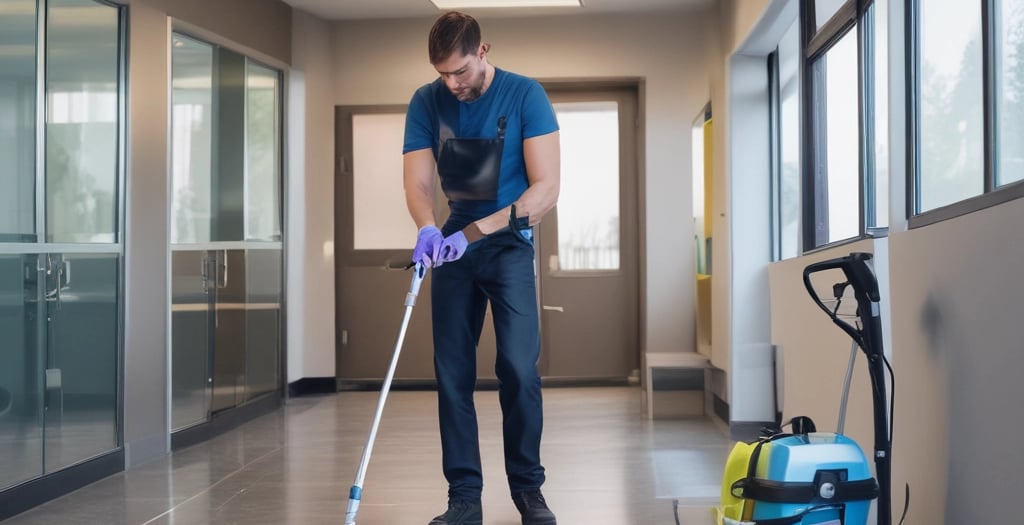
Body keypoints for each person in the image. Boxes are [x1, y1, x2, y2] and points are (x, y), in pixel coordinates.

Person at [402, 11, 561, 525]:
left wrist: (472, 233)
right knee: (452, 374)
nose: (452, 83)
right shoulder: (426, 102)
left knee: (517, 367)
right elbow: (419, 183)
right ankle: (464, 499)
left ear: (483, 51)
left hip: (508, 244)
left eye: (461, 71)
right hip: (450, 248)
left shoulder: (525, 95)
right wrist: (428, 227)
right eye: (443, 74)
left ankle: (528, 491)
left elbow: (545, 190)